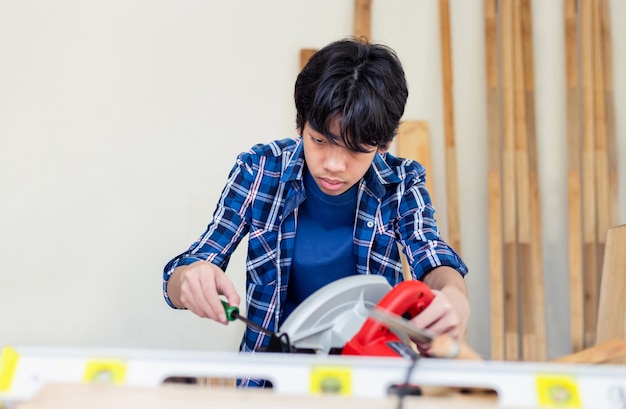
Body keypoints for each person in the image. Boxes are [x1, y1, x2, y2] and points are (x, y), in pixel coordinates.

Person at [163, 37, 470, 385]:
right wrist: (189, 280)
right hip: (270, 384)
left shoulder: (400, 184)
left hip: (376, 379)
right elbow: (183, 272)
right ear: (300, 125)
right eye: (320, 141)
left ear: (383, 144)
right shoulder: (259, 171)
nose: (334, 164)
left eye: (355, 149)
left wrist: (454, 296)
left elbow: (432, 258)